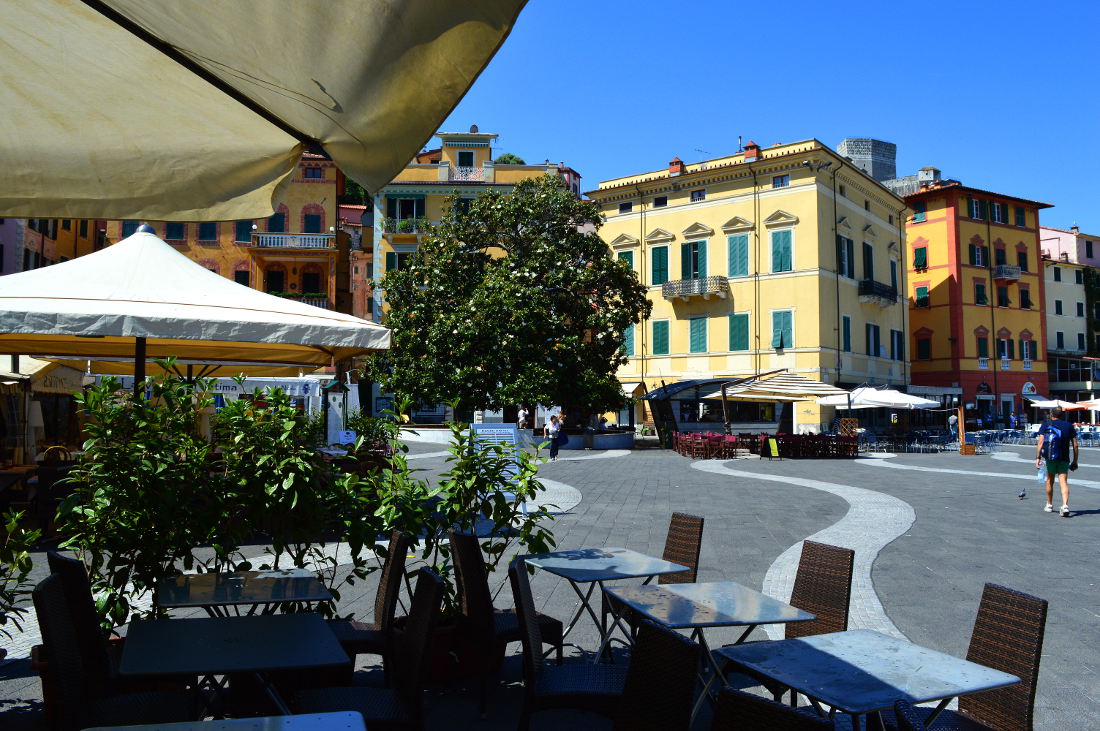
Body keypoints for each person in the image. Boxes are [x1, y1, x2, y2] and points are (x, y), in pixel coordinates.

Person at [1035, 407, 1078, 517]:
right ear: (1062, 415)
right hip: (1064, 457)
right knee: (1063, 481)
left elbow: (1040, 442)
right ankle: (1065, 506)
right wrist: (1075, 461)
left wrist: (1038, 457)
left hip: (1050, 457)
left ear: (1051, 414)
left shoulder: (1046, 424)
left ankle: (1049, 504)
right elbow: (1075, 445)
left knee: (1050, 480)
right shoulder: (1069, 426)